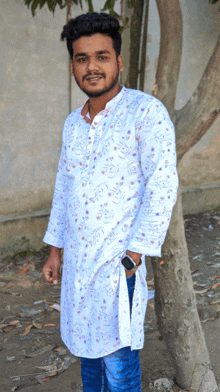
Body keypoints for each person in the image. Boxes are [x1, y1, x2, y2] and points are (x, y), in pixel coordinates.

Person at [42, 12, 178, 392]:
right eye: (82, 58)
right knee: (87, 357)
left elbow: (162, 186)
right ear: (73, 65)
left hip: (119, 266)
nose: (92, 67)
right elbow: (64, 187)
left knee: (118, 366)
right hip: (79, 267)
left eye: (102, 56)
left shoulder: (145, 113)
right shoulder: (74, 123)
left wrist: (133, 256)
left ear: (118, 62)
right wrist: (56, 249)